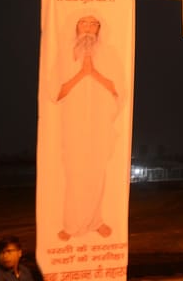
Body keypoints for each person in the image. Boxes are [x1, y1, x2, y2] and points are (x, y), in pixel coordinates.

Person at [50, 12, 124, 241]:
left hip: (100, 124)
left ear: (100, 28)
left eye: (94, 23)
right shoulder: (64, 56)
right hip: (73, 124)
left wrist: (94, 73)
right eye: (84, 22)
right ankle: (71, 225)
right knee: (75, 173)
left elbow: (119, 89)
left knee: (97, 173)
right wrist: (82, 74)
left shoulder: (110, 54)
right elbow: (55, 93)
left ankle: (96, 221)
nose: (89, 27)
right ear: (76, 26)